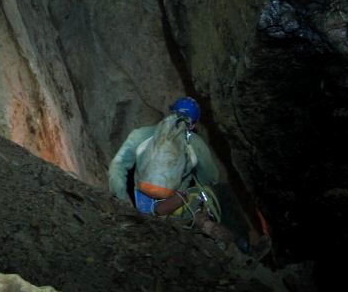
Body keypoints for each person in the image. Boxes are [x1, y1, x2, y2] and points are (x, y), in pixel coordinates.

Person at [108, 97, 270, 259]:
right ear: (193, 124)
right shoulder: (195, 143)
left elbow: (117, 166)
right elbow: (211, 177)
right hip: (176, 206)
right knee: (222, 191)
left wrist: (123, 202)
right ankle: (245, 248)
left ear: (171, 114)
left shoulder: (140, 134)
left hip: (143, 206)